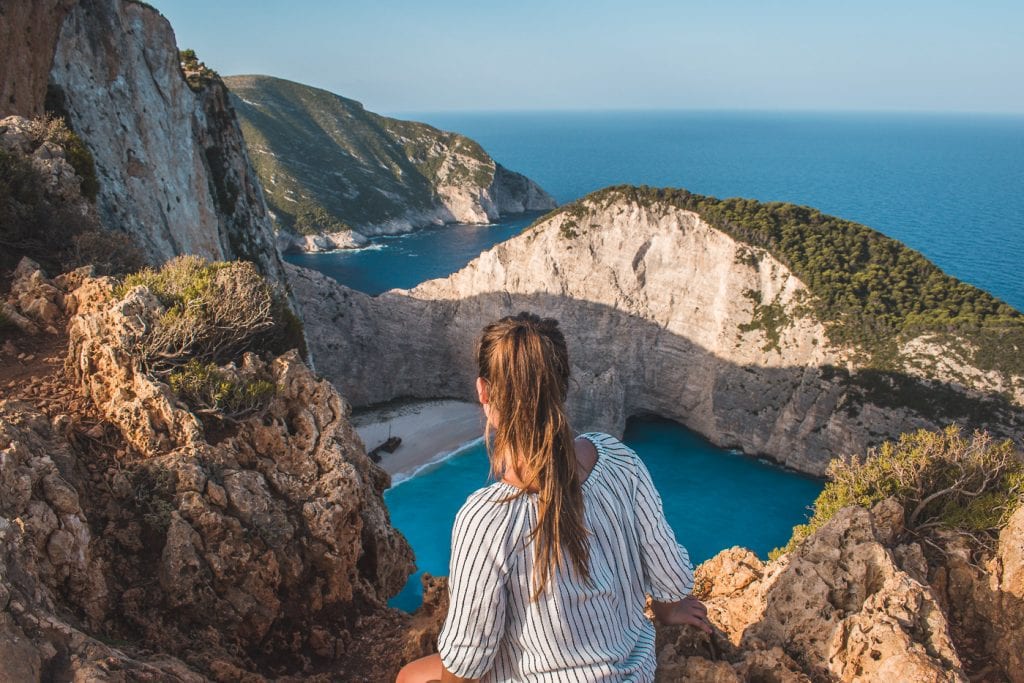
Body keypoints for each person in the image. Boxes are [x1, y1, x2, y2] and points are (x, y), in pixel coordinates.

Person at [397, 312, 709, 683]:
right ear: (563, 387)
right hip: (634, 673)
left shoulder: (487, 519)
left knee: (409, 676)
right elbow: (667, 571)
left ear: (483, 391)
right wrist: (669, 608)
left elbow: (467, 662)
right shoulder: (617, 458)